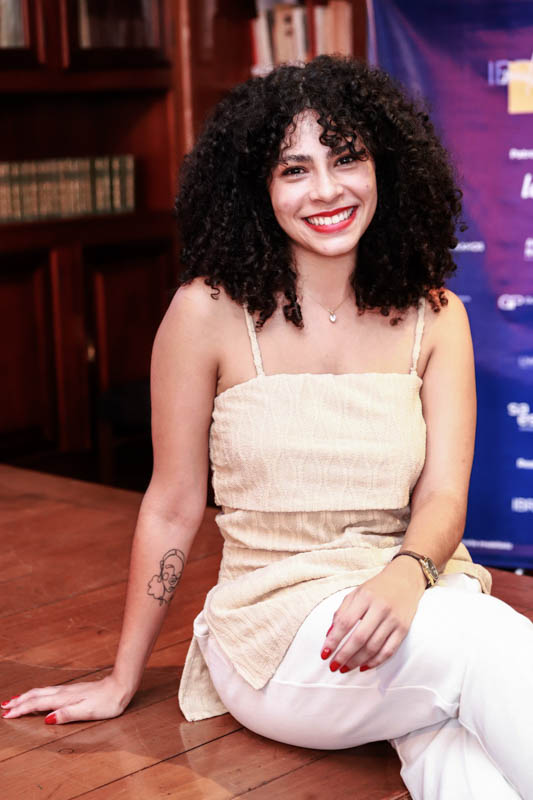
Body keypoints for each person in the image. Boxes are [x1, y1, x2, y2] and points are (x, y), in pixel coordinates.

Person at [2, 56, 532, 799]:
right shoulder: (205, 314)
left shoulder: (437, 316)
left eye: (346, 159)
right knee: (487, 642)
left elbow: (443, 494)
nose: (326, 190)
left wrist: (405, 575)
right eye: (294, 169)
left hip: (413, 598)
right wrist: (122, 678)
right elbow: (172, 504)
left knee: (461, 754)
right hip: (274, 632)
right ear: (257, 187)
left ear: (385, 169)